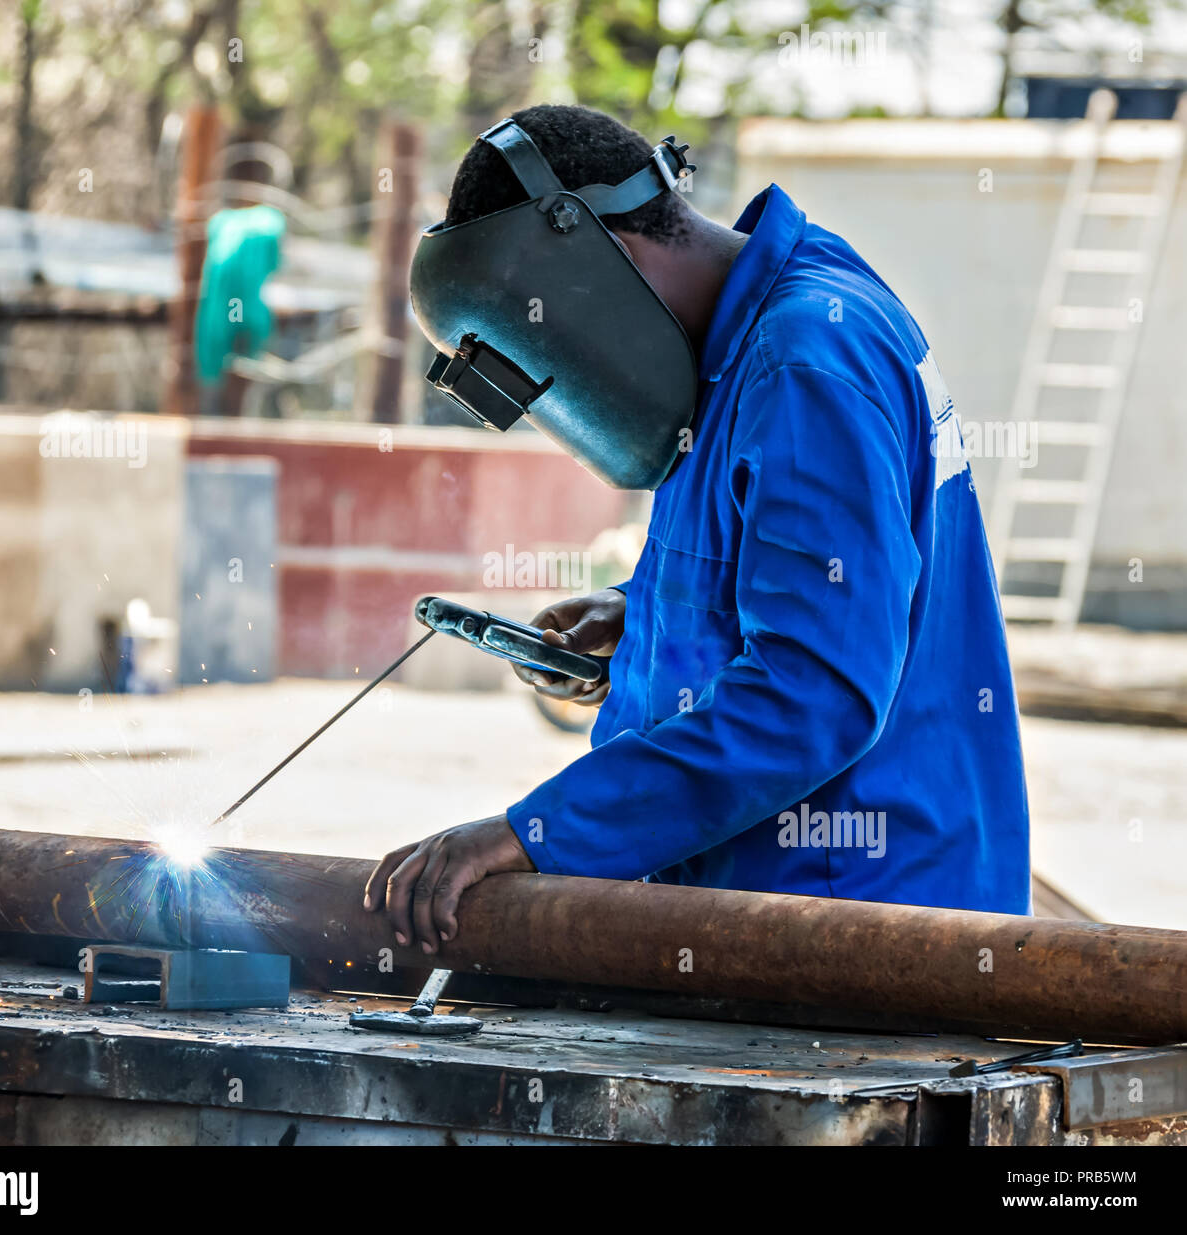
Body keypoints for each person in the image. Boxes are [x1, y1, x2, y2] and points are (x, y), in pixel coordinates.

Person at [364, 104, 1030, 956]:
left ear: (607, 269)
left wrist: (534, 832)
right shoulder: (743, 340)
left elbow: (810, 695)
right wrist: (638, 614)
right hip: (772, 907)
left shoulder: (801, 364)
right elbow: (798, 572)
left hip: (855, 930)